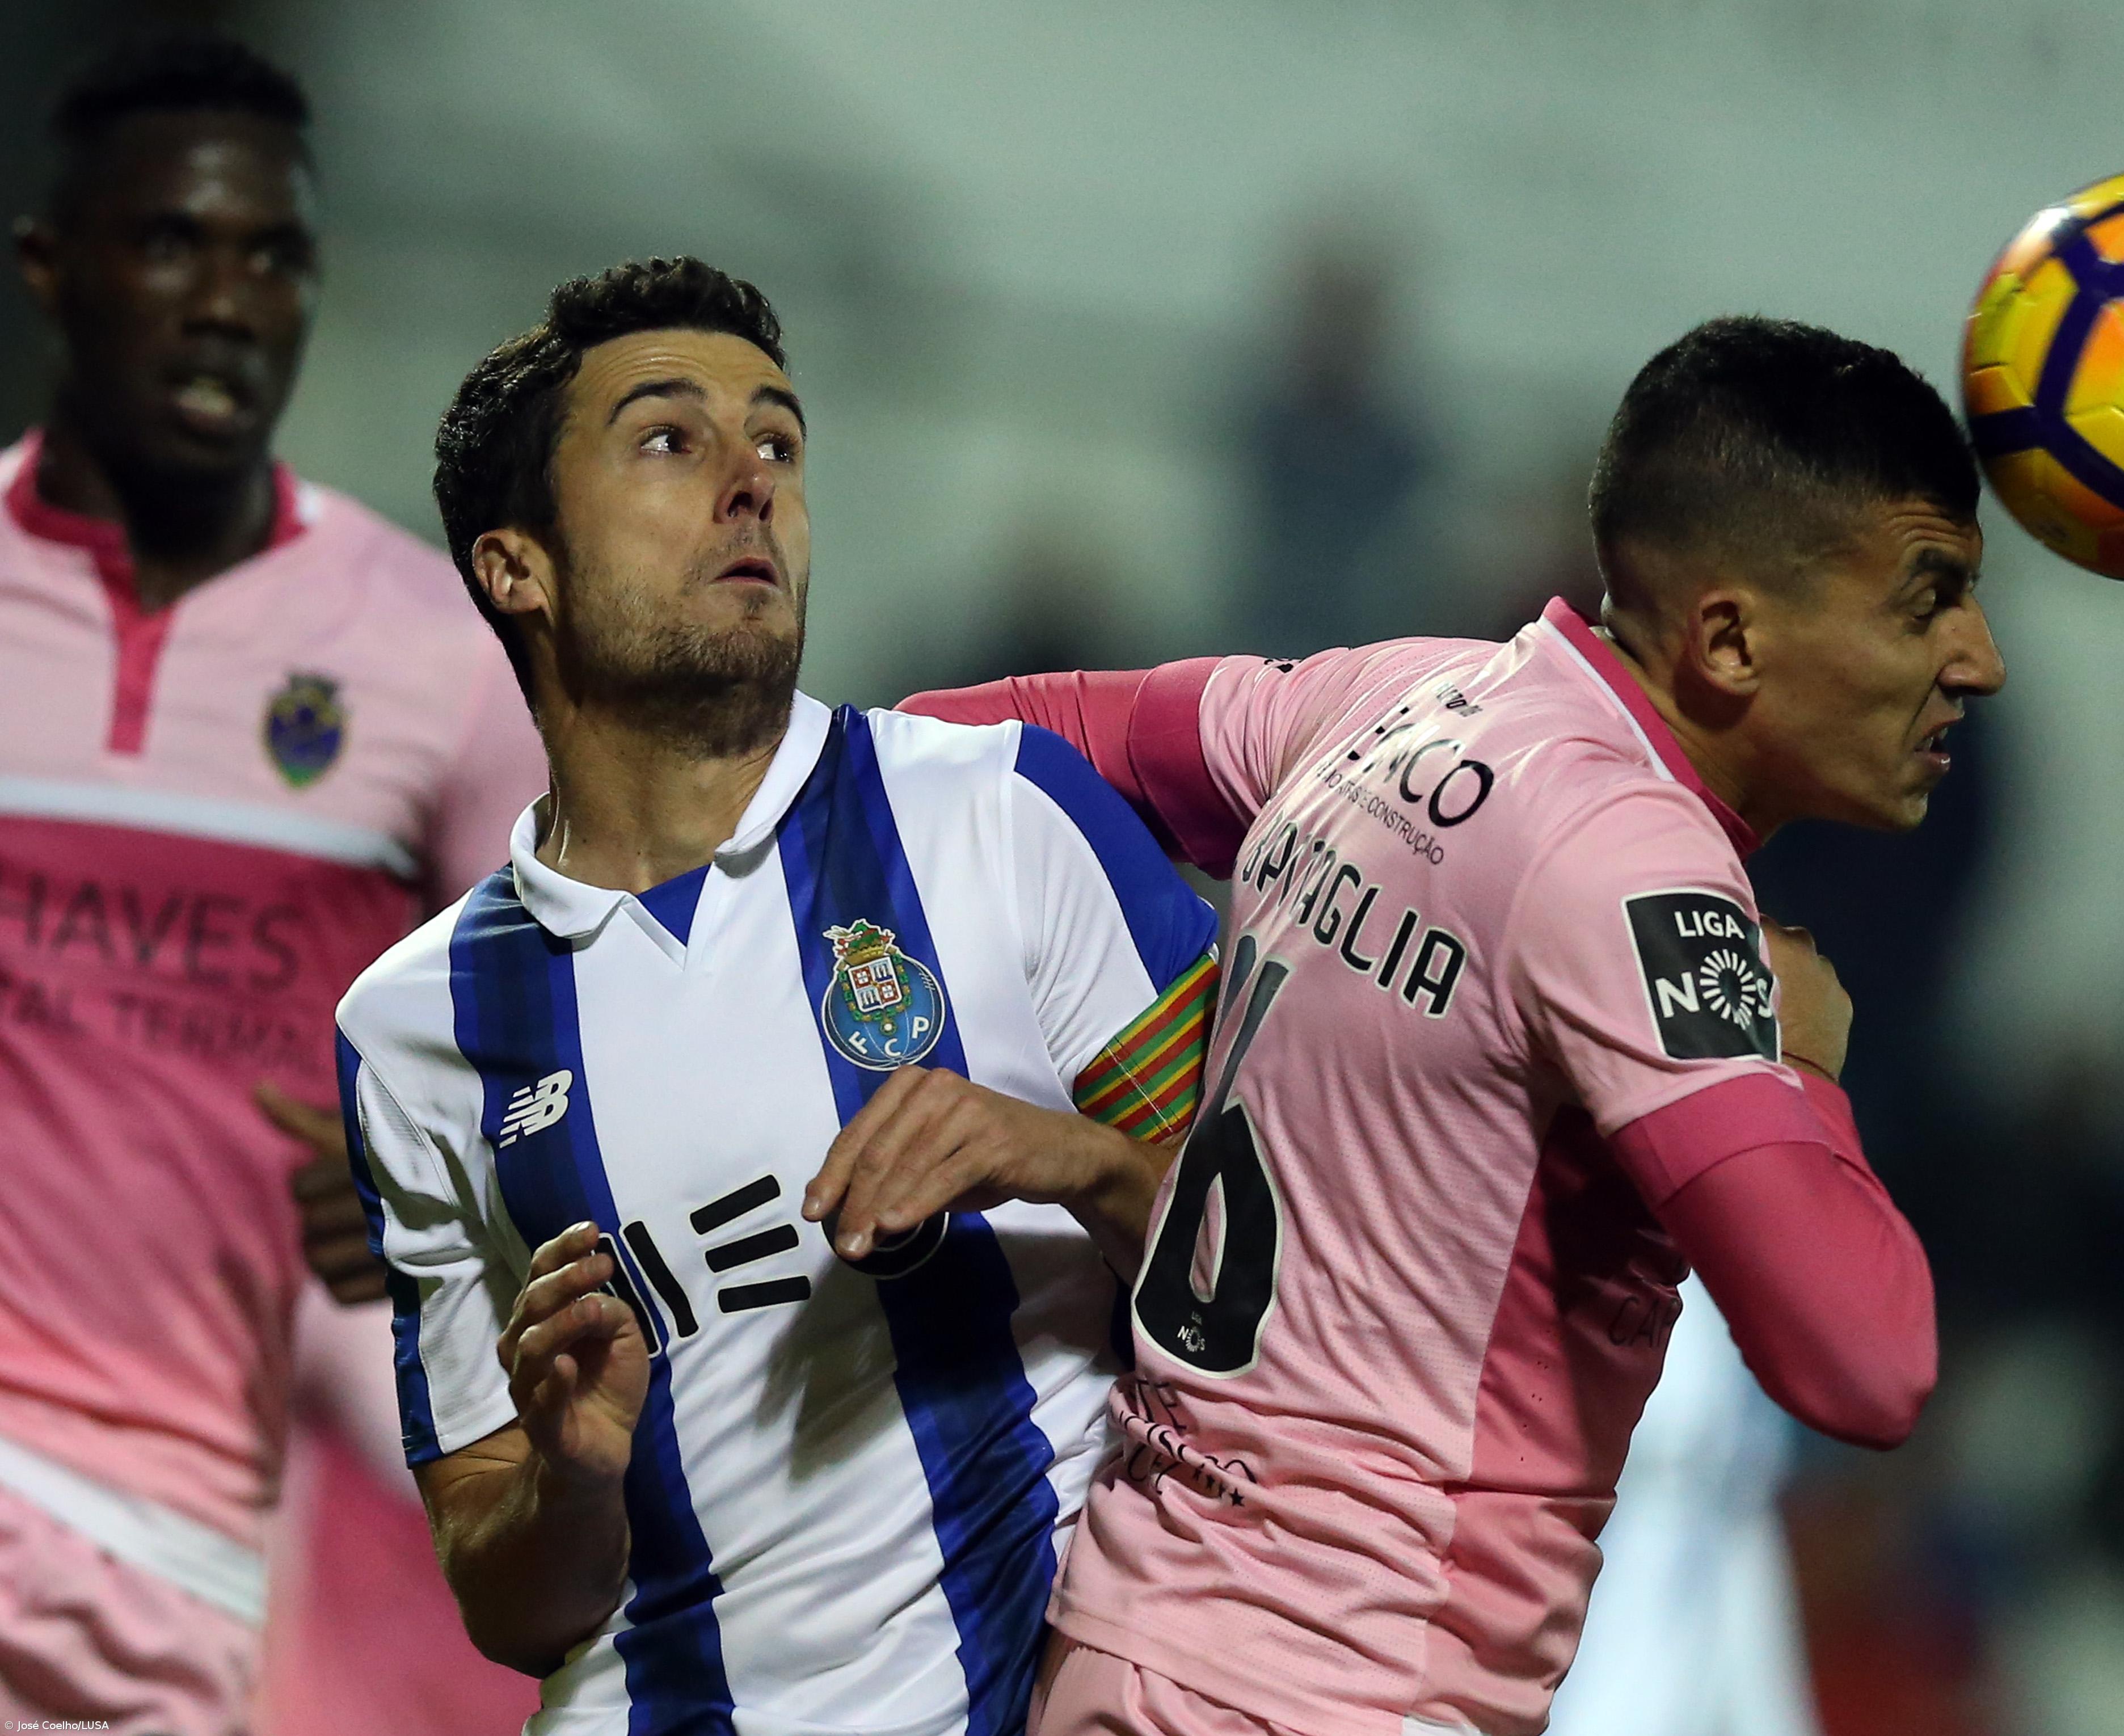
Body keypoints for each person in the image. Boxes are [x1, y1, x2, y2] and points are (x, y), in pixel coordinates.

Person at [904, 314, 2007, 1736]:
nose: (1977, 659)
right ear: (1730, 638)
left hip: (1137, 1641)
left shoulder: (1405, 702)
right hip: (1348, 1689)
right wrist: (1799, 1069)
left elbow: (980, 746)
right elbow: (1867, 1363)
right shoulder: (1637, 875)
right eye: (1929, 601)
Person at [335, 256, 1223, 1736]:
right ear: (518, 567)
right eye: (670, 440)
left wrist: (1075, 1158)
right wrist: (573, 1471)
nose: (752, 479)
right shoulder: (416, 1026)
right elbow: (513, 1604)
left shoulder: (999, 817)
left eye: (780, 439)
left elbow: (1301, 1299)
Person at [0, 36, 542, 1733]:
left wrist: (437, 1189)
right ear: (51, 272)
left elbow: (585, 1046)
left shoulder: (430, 665)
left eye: (274, 257)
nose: (228, 301)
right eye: (173, 245)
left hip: (183, 1550)